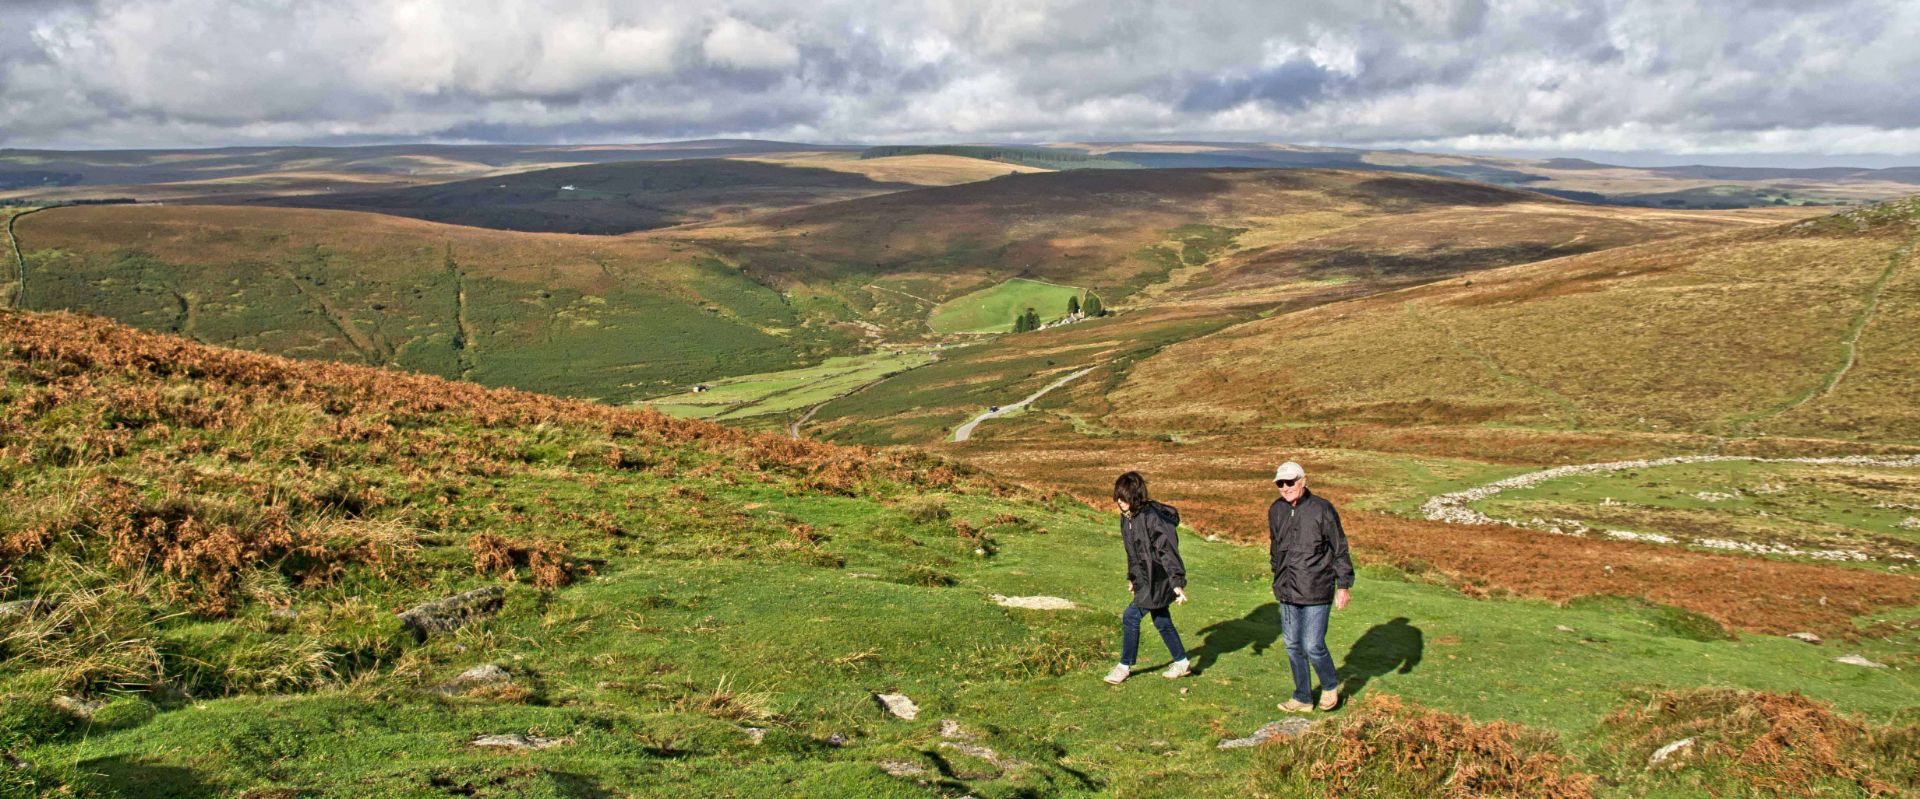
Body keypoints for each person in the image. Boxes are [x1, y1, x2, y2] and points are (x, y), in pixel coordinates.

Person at [1267, 460, 1353, 712]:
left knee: (1313, 645)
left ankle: (1328, 686)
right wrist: (1277, 572)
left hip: (1317, 587)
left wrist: (1343, 585)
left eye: (1290, 481)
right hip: (1287, 589)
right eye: (1280, 483)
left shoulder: (1322, 509)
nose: (1285, 487)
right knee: (1292, 644)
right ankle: (1302, 697)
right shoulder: (1276, 510)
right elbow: (1275, 546)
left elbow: (1339, 547)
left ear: (1304, 480)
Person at [1103, 471, 1191, 684]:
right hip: (1144, 579)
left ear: (1135, 496)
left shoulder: (1152, 517)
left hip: (1158, 579)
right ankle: (1182, 662)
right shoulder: (1127, 519)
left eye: (1124, 498)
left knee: (1131, 616)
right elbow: (1132, 552)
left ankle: (1124, 666)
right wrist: (1132, 578)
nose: (1120, 502)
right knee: (1161, 619)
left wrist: (1177, 583)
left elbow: (1167, 551)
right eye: (1118, 498)